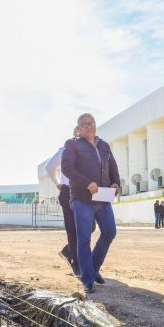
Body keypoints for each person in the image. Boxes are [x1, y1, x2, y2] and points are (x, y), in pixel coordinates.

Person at [61, 113, 120, 294]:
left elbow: (112, 167)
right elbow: (67, 168)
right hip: (81, 199)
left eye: (91, 123)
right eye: (84, 124)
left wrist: (116, 183)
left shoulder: (104, 145)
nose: (88, 126)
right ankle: (87, 280)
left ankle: (93, 268)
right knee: (84, 238)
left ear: (95, 125)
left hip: (103, 197)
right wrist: (87, 182)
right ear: (78, 128)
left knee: (110, 231)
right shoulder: (72, 144)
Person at [45, 143, 80, 275]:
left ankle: (68, 251)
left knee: (90, 227)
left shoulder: (89, 149)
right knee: (72, 229)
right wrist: (57, 183)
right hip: (68, 190)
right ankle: (76, 263)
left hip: (84, 191)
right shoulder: (66, 149)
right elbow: (49, 167)